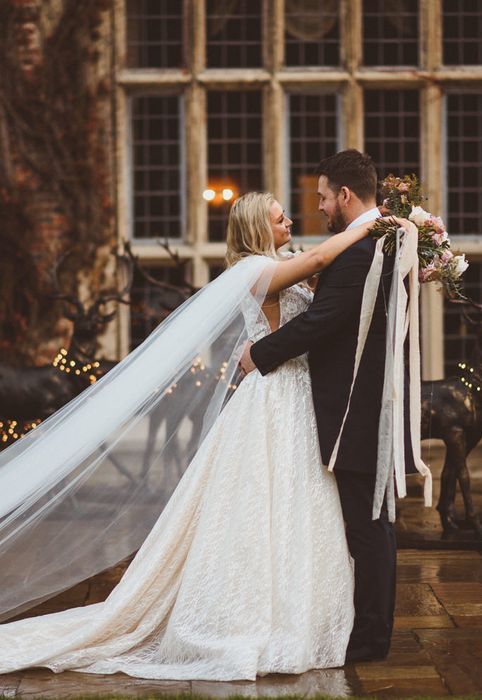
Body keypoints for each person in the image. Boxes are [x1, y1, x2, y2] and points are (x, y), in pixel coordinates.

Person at [0, 190, 412, 681]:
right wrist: (377, 221)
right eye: (281, 220)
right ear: (259, 229)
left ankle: (306, 609)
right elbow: (324, 256)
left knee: (301, 507)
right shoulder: (253, 270)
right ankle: (250, 615)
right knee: (265, 503)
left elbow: (327, 281)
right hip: (276, 397)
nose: (291, 224)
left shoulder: (280, 263)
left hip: (302, 399)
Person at [239, 149, 410, 663]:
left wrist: (259, 355)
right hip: (337, 404)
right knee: (352, 521)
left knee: (367, 524)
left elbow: (323, 322)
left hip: (355, 408)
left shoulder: (362, 248)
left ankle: (370, 637)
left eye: (321, 198)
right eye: (284, 213)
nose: (313, 210)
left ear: (345, 195)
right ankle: (347, 623)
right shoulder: (382, 240)